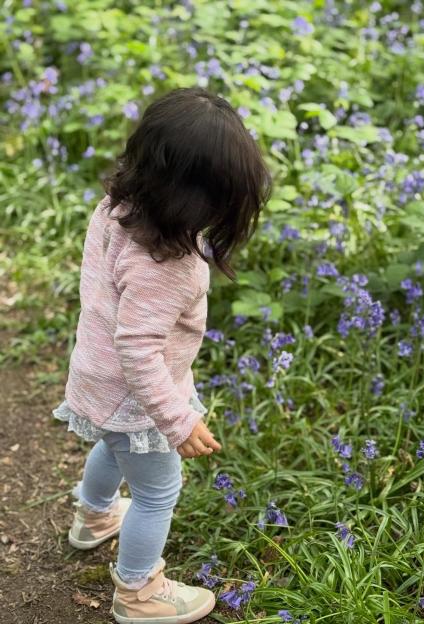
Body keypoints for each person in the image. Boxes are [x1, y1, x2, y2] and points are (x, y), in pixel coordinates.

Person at [52, 86, 272, 624]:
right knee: (157, 489)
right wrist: (175, 418)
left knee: (114, 444)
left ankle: (94, 517)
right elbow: (140, 348)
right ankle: (138, 593)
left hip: (97, 376)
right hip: (136, 393)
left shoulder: (118, 207)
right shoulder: (169, 264)